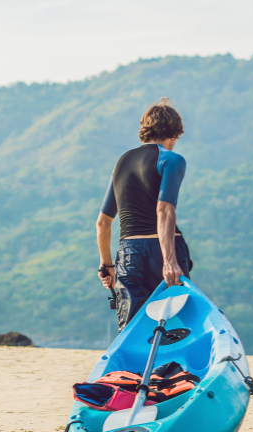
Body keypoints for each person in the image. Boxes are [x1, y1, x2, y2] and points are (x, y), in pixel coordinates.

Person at [96, 98, 194, 331]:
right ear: (174, 134)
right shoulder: (171, 159)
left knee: (131, 327)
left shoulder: (122, 162)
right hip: (162, 249)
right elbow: (164, 209)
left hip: (128, 253)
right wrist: (169, 262)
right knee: (173, 323)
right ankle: (170, 368)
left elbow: (103, 223)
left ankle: (129, 368)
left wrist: (106, 264)